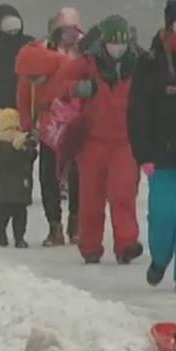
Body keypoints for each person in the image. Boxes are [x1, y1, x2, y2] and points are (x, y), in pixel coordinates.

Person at [128, 0, 176, 291]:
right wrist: (142, 152)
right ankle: (160, 258)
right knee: (164, 213)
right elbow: (138, 110)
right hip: (160, 155)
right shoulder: (150, 63)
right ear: (169, 23)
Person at [58, 15, 144, 265]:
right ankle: (90, 245)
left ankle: (126, 243)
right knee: (91, 197)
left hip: (125, 141)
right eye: (113, 42)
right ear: (103, 42)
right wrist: (77, 88)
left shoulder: (138, 64)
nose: (118, 48)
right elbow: (58, 85)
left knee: (123, 193)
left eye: (122, 43)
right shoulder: (87, 63)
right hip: (92, 141)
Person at [15, 40, 72, 245]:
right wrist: (28, 126)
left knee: (75, 177)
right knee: (47, 177)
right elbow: (23, 102)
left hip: (71, 129)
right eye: (28, 79)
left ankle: (76, 221)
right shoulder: (27, 74)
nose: (33, 82)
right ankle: (54, 226)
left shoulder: (66, 68)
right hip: (46, 131)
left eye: (36, 78)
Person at [43, 7, 85, 244]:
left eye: (73, 30)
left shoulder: (86, 54)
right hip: (50, 119)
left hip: (78, 119)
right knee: (48, 173)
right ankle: (54, 225)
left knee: (77, 173)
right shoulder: (43, 53)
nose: (69, 35)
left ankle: (75, 222)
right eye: (65, 30)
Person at [0, 107, 38, 249]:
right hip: (13, 186)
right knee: (11, 216)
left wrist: (29, 148)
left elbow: (31, 157)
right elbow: (2, 160)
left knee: (15, 215)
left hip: (12, 187)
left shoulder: (20, 139)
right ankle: (6, 235)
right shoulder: (1, 143)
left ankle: (18, 237)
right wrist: (17, 149)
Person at [0, 4, 35, 138]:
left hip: (27, 95)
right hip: (3, 96)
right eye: (9, 31)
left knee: (25, 137)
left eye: (15, 30)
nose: (13, 34)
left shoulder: (29, 42)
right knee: (4, 135)